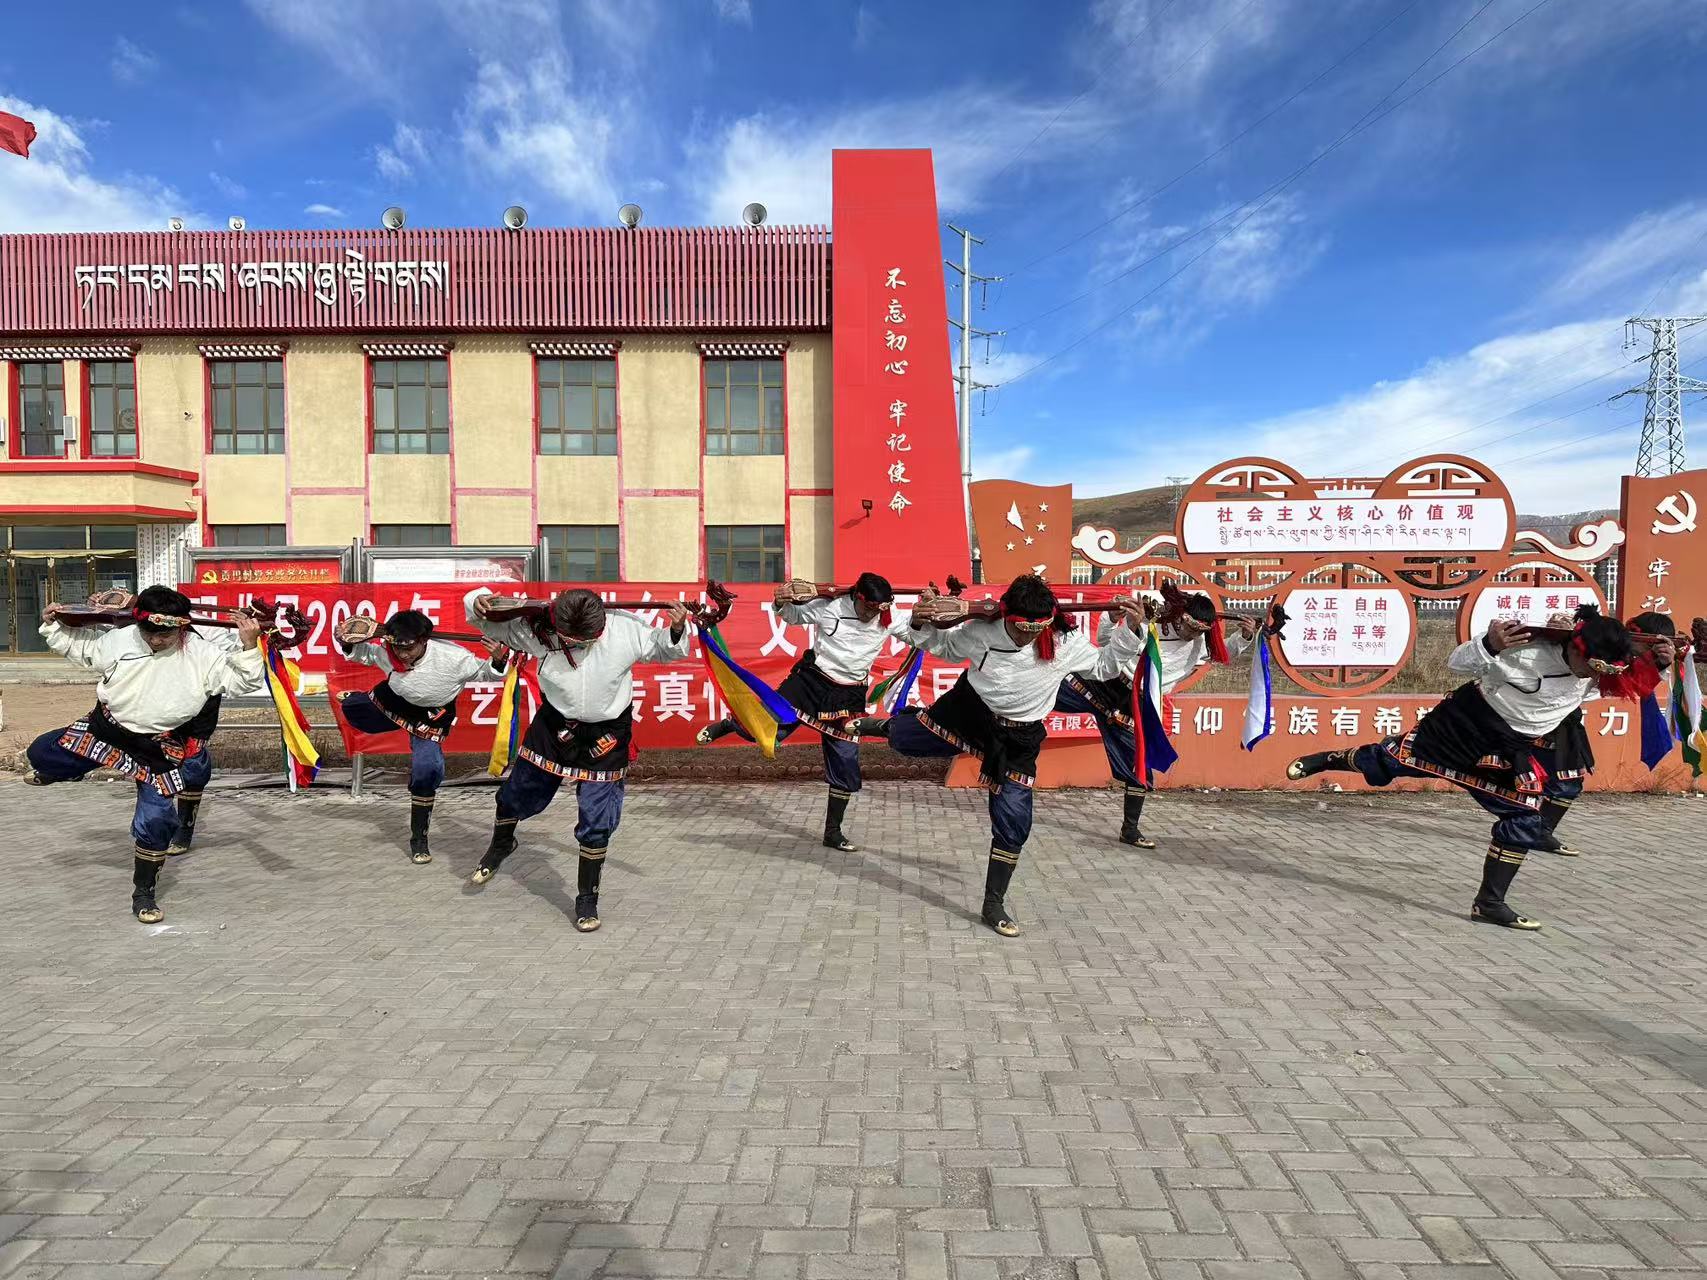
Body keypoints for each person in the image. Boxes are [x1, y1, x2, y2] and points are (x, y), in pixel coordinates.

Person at [1287, 604, 1640, 931]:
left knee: (1525, 816)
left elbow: (1625, 682)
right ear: (1576, 647)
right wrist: (1489, 644)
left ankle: (1489, 903)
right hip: (1462, 727)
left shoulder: (1594, 675)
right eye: (1592, 666)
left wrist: (1663, 664)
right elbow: (1457, 662)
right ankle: (1328, 760)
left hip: (1508, 748)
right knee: (1389, 761)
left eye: (1603, 671)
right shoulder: (1524, 650)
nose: (1592, 675)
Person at [856, 574, 1147, 938]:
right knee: (906, 740)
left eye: (1035, 629)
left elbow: (1104, 667)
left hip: (1019, 738)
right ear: (1007, 615)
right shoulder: (981, 630)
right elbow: (940, 645)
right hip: (970, 712)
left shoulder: (1064, 641)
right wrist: (919, 620)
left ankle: (993, 903)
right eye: (1020, 627)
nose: (1026, 636)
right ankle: (884, 726)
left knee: (1014, 823)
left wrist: (1129, 630)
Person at [24, 586, 266, 924]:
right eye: (148, 632)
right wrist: (52, 625)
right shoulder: (121, 640)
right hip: (107, 730)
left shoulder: (204, 654)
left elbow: (243, 682)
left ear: (181, 626)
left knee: (156, 822)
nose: (155, 640)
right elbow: (83, 648)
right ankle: (70, 768)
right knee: (40, 753)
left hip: (157, 748)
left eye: (164, 634)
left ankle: (144, 894)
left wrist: (249, 645)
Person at [462, 587, 691, 932]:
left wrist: (676, 628)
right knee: (517, 793)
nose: (580, 644)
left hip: (607, 733)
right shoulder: (537, 629)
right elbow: (487, 622)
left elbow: (663, 648)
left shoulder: (624, 626)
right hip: (555, 725)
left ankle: (587, 898)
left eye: (588, 639)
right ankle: (502, 843)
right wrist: (478, 601)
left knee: (597, 817)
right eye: (572, 639)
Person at [695, 572, 912, 851]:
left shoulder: (889, 617)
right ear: (857, 597)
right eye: (867, 608)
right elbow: (793, 615)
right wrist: (781, 601)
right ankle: (729, 725)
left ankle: (833, 833)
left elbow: (919, 633)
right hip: (810, 683)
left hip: (848, 695)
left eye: (876, 610)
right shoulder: (830, 606)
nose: (871, 615)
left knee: (845, 763)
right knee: (768, 730)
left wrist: (933, 616)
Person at [1055, 588, 1253, 848]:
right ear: (1181, 615)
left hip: (1137, 704)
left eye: (1199, 631)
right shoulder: (1151, 623)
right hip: (1106, 683)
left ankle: (1130, 830)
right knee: (1043, 692)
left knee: (1140, 769)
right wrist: (1112, 619)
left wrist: (1245, 635)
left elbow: (1225, 652)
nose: (1192, 634)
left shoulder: (1199, 645)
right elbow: (1105, 642)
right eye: (1190, 627)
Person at [333, 609, 508, 864]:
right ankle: (356, 700)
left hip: (430, 716)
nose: (402, 655)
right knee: (355, 711)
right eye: (398, 649)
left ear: (424, 640)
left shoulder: (454, 658)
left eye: (409, 649)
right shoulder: (389, 649)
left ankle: (418, 840)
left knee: (427, 771)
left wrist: (498, 660)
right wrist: (345, 642)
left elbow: (487, 673)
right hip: (393, 702)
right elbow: (365, 654)